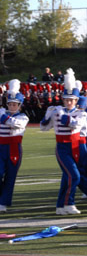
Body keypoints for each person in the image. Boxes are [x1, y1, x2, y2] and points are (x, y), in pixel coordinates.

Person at [40, 69, 87, 215]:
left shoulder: (81, 113)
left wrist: (60, 114)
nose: (68, 102)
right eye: (66, 100)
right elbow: (44, 127)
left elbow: (75, 125)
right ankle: (69, 203)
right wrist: (48, 115)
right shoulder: (56, 111)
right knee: (74, 175)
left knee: (69, 176)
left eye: (71, 100)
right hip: (62, 147)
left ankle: (60, 206)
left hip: (76, 147)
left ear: (76, 101)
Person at [0, 80, 29, 212]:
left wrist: (3, 117)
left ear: (19, 105)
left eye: (14, 105)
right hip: (0, 148)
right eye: (10, 104)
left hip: (14, 149)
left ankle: (4, 202)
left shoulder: (23, 117)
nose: (12, 107)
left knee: (10, 177)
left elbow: (16, 124)